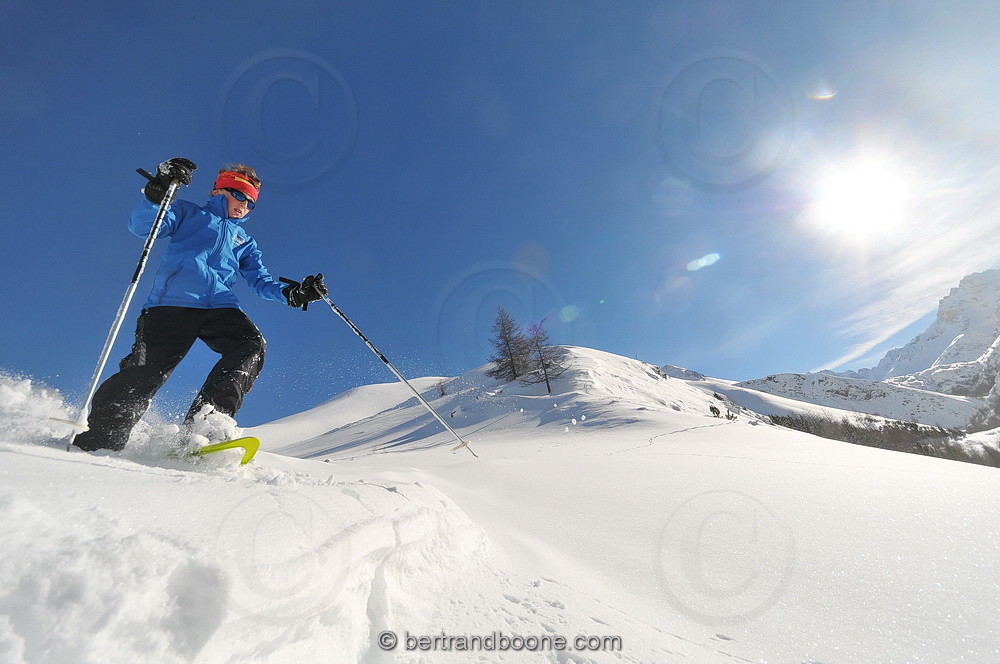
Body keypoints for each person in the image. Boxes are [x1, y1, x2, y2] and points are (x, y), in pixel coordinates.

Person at [73, 157, 327, 452]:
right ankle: (99, 440)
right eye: (240, 196)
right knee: (146, 374)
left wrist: (293, 293)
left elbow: (260, 280)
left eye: (251, 203)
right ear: (220, 191)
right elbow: (143, 227)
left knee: (251, 345)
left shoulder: (243, 240)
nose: (245, 206)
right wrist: (158, 192)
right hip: (172, 305)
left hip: (220, 306)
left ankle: (205, 426)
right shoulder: (187, 213)